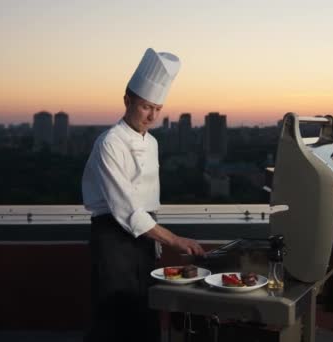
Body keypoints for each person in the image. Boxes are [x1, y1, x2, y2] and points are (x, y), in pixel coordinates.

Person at [82, 48, 205, 341]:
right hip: (113, 238)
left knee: (146, 316)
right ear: (127, 100)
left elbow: (147, 207)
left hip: (145, 241)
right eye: (146, 106)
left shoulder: (152, 143)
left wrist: (158, 245)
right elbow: (126, 211)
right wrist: (175, 240)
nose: (152, 115)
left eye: (158, 109)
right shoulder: (109, 143)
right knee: (115, 319)